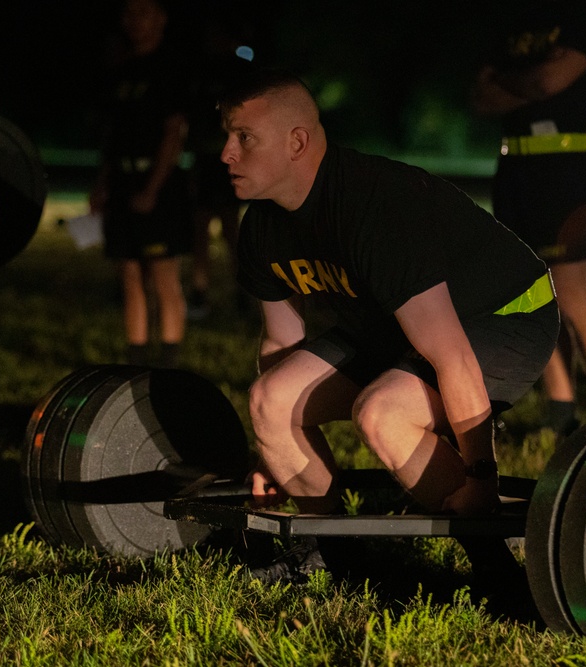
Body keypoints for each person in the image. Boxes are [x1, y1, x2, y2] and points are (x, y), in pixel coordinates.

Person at [220, 69, 559, 605]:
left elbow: (452, 356)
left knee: (383, 413)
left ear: (297, 143)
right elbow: (280, 342)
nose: (225, 154)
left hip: (504, 314)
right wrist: (272, 452)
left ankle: (496, 569)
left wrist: (482, 481)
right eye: (227, 136)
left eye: (243, 138)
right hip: (387, 319)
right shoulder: (260, 225)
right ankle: (322, 552)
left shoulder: (376, 207)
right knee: (270, 400)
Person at [471, 0, 586, 435]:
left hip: (568, 168)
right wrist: (524, 84)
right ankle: (562, 416)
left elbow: (546, 80)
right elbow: (483, 98)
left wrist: (510, 81)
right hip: (514, 173)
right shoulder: (512, 18)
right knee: (537, 295)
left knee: (574, 294)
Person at [90, 0, 193, 369]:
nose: (135, 21)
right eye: (129, 13)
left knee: (164, 273)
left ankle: (169, 359)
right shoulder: (119, 71)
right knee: (129, 271)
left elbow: (173, 131)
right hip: (120, 180)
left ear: (161, 17)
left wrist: (152, 188)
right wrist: (102, 184)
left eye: (144, 12)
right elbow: (111, 135)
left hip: (159, 185)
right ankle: (135, 358)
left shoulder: (171, 67)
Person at [184, 15, 254, 320]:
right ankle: (199, 292)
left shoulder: (239, 73)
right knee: (199, 227)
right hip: (204, 159)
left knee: (230, 228)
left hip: (228, 159)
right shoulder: (200, 72)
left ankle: (243, 293)